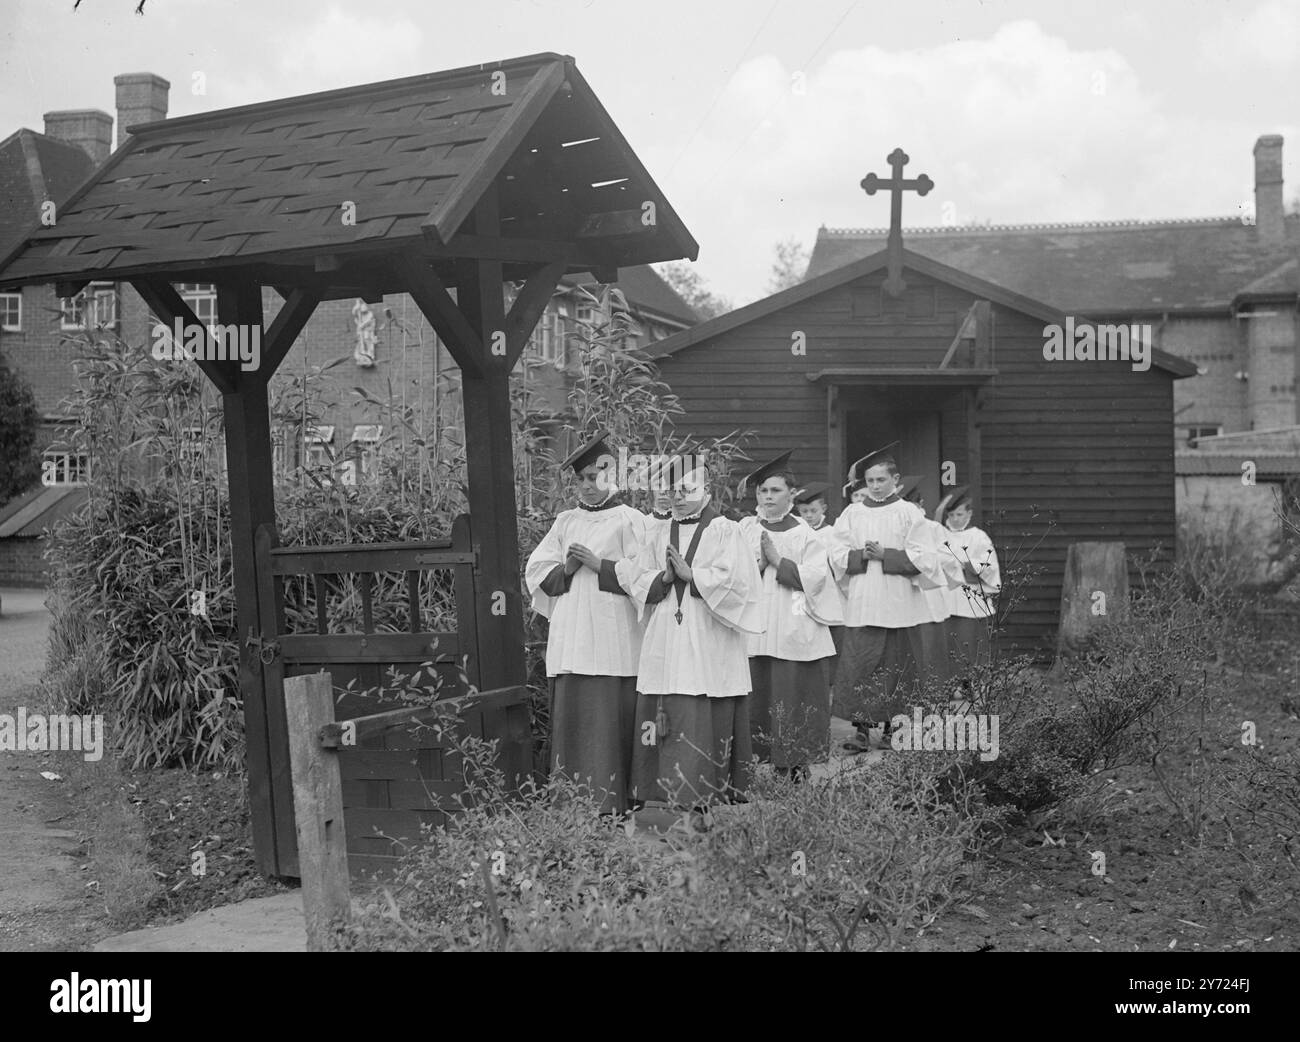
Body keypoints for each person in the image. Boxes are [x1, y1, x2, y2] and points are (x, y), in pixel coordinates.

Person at [620, 459, 763, 817]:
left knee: (701, 716)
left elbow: (741, 584)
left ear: (707, 492)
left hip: (708, 635)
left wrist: (693, 575)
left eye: (687, 490)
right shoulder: (657, 531)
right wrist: (664, 580)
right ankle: (670, 799)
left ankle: (701, 803)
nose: (679, 498)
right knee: (668, 715)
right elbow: (636, 579)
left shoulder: (725, 530)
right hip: (667, 634)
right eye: (672, 491)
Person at [524, 429, 646, 815]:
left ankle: (615, 799)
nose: (588, 486)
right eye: (581, 478)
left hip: (614, 633)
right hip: (573, 630)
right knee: (576, 714)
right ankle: (574, 799)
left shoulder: (630, 520)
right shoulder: (565, 521)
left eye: (595, 477)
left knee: (611, 716)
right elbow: (537, 569)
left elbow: (645, 575)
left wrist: (601, 565)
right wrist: (568, 567)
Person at [738, 456, 840, 780]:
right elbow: (732, 573)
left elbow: (817, 577)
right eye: (763, 490)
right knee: (757, 690)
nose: (768, 496)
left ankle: (793, 764)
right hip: (756, 622)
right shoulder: (745, 529)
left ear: (791, 495)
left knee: (791, 691)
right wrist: (756, 564)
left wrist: (778, 561)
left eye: (776, 490)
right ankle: (751, 762)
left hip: (794, 617)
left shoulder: (805, 534)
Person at [829, 443, 935, 752]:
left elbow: (925, 558)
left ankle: (891, 729)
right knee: (861, 666)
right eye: (870, 481)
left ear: (895, 479)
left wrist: (886, 555)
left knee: (896, 667)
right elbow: (835, 552)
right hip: (864, 601)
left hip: (898, 604)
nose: (875, 486)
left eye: (881, 480)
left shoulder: (909, 513)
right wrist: (860, 555)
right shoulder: (853, 513)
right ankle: (861, 732)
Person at [934, 484, 1001, 681]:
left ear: (969, 514)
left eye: (960, 514)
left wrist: (967, 565)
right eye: (952, 515)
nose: (955, 519)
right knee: (948, 643)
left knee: (969, 641)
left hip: (970, 596)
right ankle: (948, 683)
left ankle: (970, 683)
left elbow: (989, 565)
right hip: (947, 596)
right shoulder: (941, 535)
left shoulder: (978, 536)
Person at [795, 481, 846, 695]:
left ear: (823, 509)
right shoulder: (796, 532)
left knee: (831, 640)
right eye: (804, 511)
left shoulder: (832, 534)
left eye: (813, 511)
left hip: (828, 592)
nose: (808, 515)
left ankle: (830, 687)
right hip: (802, 593)